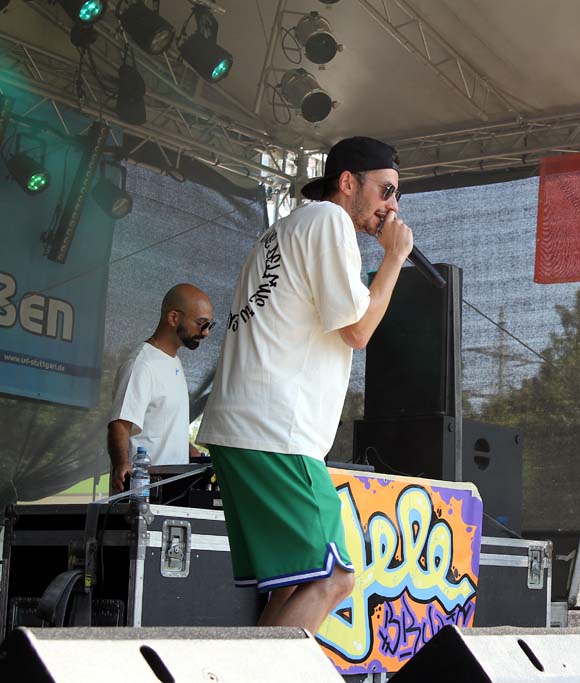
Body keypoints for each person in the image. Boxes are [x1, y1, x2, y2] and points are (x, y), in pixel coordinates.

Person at [197, 136, 414, 634]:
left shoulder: (286, 229)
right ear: (347, 183)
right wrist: (394, 258)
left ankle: (252, 670)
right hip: (275, 430)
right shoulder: (329, 221)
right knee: (334, 578)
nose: (392, 206)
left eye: (396, 195)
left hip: (246, 429)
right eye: (385, 190)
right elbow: (358, 330)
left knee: (296, 583)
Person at [108, 283, 214, 493]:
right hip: (144, 490)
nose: (207, 332)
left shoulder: (174, 361)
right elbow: (120, 424)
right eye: (201, 324)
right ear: (173, 318)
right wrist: (122, 465)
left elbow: (162, 426)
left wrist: (191, 452)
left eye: (210, 325)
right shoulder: (142, 364)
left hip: (174, 487)